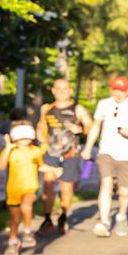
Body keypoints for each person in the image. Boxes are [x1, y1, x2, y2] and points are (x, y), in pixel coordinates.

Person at [82, 75, 128, 238]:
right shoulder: (104, 104)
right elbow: (96, 126)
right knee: (106, 184)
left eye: (121, 90)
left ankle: (121, 215)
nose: (117, 94)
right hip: (107, 151)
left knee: (124, 191)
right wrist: (88, 147)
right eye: (115, 90)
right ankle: (105, 221)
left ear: (127, 91)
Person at [35, 78, 93, 236]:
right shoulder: (46, 108)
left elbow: (91, 127)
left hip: (70, 153)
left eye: (65, 88)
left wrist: (80, 129)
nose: (61, 91)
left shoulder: (78, 109)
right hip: (50, 152)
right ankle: (47, 218)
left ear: (70, 91)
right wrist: (39, 134)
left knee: (66, 187)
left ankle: (63, 216)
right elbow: (41, 126)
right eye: (58, 88)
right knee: (48, 184)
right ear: (53, 90)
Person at [0, 121, 44, 255]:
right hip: (13, 189)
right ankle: (12, 242)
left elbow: (41, 166)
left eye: (27, 138)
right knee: (14, 219)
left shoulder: (36, 151)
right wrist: (7, 147)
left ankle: (27, 232)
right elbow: (1, 166)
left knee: (26, 205)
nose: (24, 141)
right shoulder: (11, 151)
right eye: (21, 138)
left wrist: (53, 170)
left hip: (30, 186)